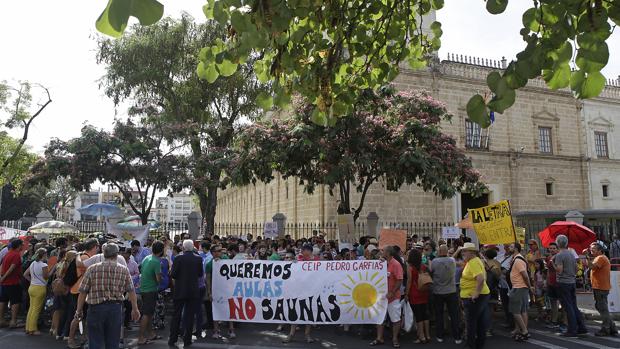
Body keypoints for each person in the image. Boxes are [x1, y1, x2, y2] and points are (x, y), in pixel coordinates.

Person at [76, 243, 140, 349]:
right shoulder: (123, 269)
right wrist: (135, 308)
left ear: (103, 254)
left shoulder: (92, 269)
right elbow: (131, 290)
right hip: (115, 308)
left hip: (95, 308)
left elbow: (83, 292)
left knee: (95, 341)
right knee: (113, 342)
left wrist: (79, 310)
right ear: (117, 254)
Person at [550, 235, 588, 338]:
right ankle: (581, 327)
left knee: (568, 307)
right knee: (573, 305)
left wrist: (552, 263)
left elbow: (559, 270)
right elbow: (576, 269)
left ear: (558, 244)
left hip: (563, 283)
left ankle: (572, 330)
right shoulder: (571, 254)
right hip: (571, 282)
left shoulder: (559, 255)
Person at [168, 240, 204, 347]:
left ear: (183, 248)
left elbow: (173, 274)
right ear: (193, 247)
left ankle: (172, 339)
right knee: (190, 316)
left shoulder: (179, 258)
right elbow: (200, 274)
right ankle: (187, 340)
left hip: (180, 290)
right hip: (193, 290)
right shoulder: (198, 258)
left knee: (176, 315)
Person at [370, 246, 402, 348]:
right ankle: (379, 338)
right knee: (380, 319)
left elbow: (400, 280)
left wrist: (392, 292)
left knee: (395, 319)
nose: (381, 252)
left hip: (393, 298)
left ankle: (395, 339)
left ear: (388, 253)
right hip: (381, 297)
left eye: (383, 251)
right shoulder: (381, 263)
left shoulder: (396, 264)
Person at [459, 242, 490, 349]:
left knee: (471, 323)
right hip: (481, 295)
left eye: (465, 251)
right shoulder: (474, 261)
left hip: (474, 297)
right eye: (462, 251)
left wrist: (475, 294)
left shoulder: (473, 262)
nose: (463, 253)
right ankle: (478, 345)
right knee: (480, 322)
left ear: (472, 252)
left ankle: (471, 345)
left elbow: (480, 278)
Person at [430, 244, 461, 344]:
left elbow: (431, 271)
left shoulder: (434, 261)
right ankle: (457, 337)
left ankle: (440, 335)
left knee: (439, 315)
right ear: (447, 251)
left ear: (439, 252)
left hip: (438, 291)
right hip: (451, 291)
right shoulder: (452, 261)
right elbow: (453, 257)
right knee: (454, 315)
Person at [587, 241, 618, 336]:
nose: (591, 251)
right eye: (591, 249)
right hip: (599, 286)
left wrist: (587, 258)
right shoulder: (600, 257)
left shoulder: (601, 258)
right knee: (600, 307)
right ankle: (612, 327)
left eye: (593, 249)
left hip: (600, 287)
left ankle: (606, 328)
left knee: (602, 308)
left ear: (600, 250)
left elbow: (592, 266)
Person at [138, 240, 164, 345]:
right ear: (161, 250)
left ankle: (151, 334)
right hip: (150, 290)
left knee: (149, 313)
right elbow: (158, 279)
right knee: (146, 314)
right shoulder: (156, 262)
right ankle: (141, 337)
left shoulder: (147, 258)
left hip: (144, 289)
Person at [508, 243, 532, 342]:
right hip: (520, 287)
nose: (509, 248)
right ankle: (520, 330)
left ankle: (525, 331)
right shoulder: (516, 259)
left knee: (515, 311)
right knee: (522, 310)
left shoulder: (518, 260)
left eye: (511, 247)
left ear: (516, 249)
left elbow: (525, 275)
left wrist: (530, 287)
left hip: (519, 287)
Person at [405, 248, 430, 344]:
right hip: (424, 291)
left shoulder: (410, 267)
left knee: (418, 315)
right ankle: (427, 335)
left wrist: (407, 294)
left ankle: (421, 337)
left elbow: (409, 281)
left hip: (414, 293)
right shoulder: (423, 266)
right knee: (425, 314)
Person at [23, 247, 49, 335]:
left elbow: (25, 274)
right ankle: (33, 329)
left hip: (32, 287)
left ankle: (28, 328)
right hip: (40, 288)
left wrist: (32, 280)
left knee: (31, 308)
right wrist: (52, 270)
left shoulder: (33, 263)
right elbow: (46, 277)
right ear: (44, 255)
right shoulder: (43, 265)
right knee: (36, 309)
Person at [0, 238, 25, 329]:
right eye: (22, 244)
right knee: (15, 301)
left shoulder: (7, 253)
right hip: (13, 282)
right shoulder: (16, 255)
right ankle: (13, 321)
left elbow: (2, 266)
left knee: (3, 300)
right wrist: (3, 277)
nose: (23, 246)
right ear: (18, 246)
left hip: (5, 282)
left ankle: (1, 320)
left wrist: (2, 277)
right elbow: (12, 268)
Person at [544, 242, 563, 330]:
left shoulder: (559, 257)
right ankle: (554, 321)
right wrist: (546, 281)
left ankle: (564, 321)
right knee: (553, 303)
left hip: (558, 282)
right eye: (550, 248)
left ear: (557, 249)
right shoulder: (548, 257)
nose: (551, 250)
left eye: (553, 248)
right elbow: (548, 270)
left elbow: (560, 270)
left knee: (563, 303)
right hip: (550, 282)